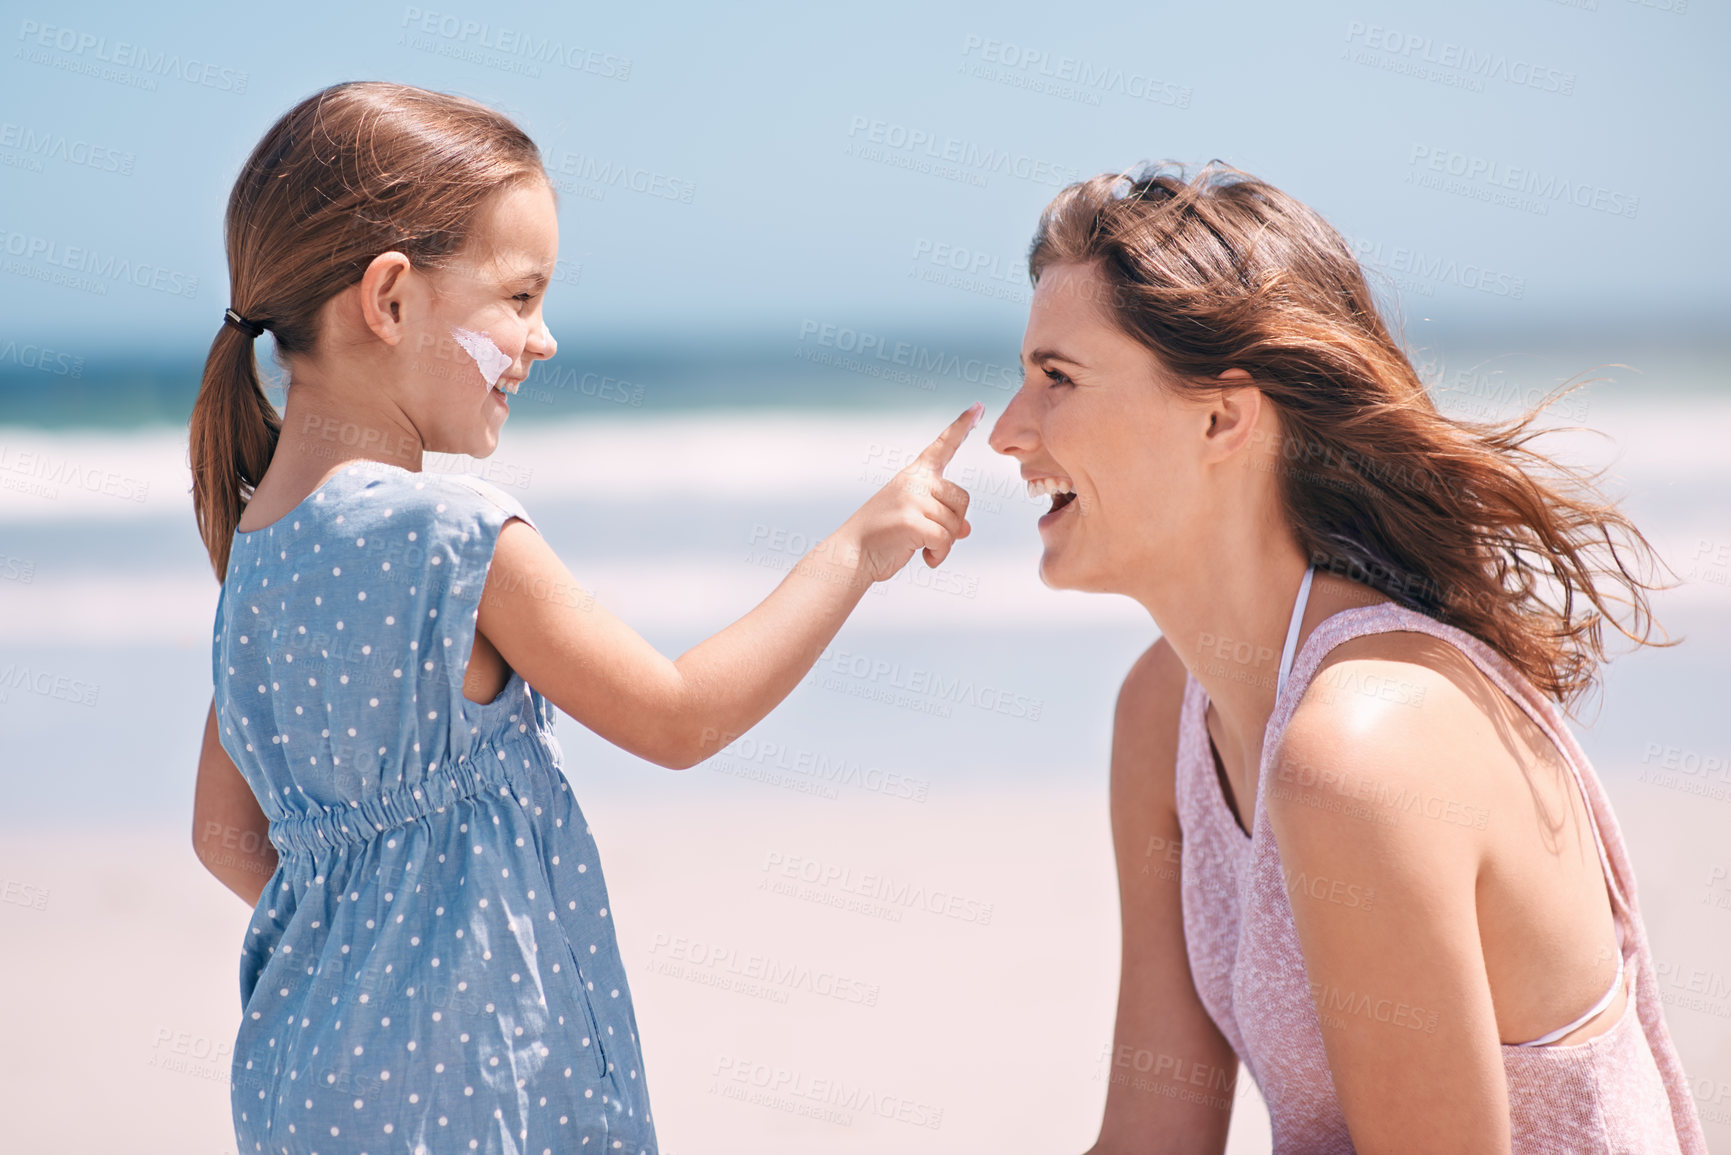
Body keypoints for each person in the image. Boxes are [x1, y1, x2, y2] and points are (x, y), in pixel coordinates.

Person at [187, 80, 980, 1155]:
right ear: (389, 299)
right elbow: (680, 718)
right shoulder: (452, 540)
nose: (543, 338)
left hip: (306, 1083)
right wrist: (856, 550)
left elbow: (224, 833)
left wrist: (365, 946)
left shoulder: (256, 561)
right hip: (479, 1094)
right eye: (519, 298)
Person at [988, 160, 1707, 1154]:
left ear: (1221, 417)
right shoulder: (1163, 711)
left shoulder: (1363, 746)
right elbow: (1153, 1138)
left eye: (1056, 378)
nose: (1008, 432)